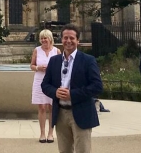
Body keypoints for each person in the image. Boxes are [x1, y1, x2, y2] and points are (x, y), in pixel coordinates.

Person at [41, 24, 103, 153]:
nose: (68, 41)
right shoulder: (54, 61)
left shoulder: (88, 60)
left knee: (83, 151)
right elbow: (45, 85)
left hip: (81, 112)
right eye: (65, 38)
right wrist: (55, 92)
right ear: (61, 40)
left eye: (71, 38)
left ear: (78, 41)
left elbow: (97, 86)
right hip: (60, 114)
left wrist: (72, 94)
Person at [31, 29, 60, 143]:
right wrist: (38, 68)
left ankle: (51, 133)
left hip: (52, 82)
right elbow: (32, 65)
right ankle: (42, 133)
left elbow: (61, 66)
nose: (43, 40)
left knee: (52, 107)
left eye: (45, 38)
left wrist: (52, 69)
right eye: (41, 38)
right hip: (39, 80)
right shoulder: (37, 50)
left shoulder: (56, 51)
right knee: (42, 107)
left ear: (50, 39)